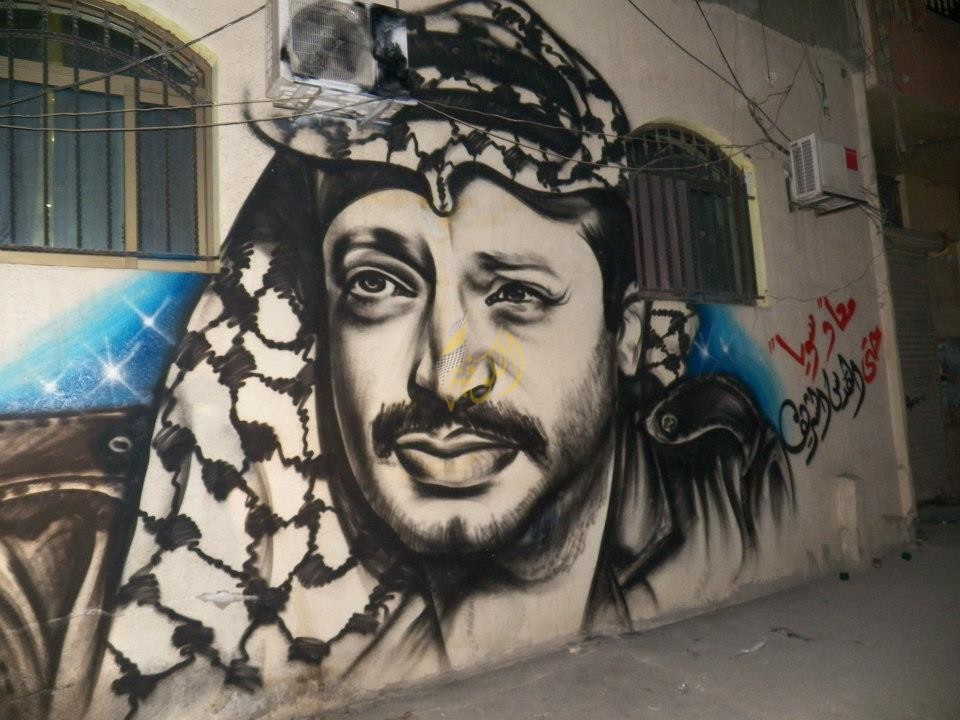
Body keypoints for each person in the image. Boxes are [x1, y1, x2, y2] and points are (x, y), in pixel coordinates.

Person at [86, 1, 794, 717]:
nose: (446, 377)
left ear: (627, 335)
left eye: (517, 293)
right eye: (377, 285)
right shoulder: (76, 546)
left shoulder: (726, 474)